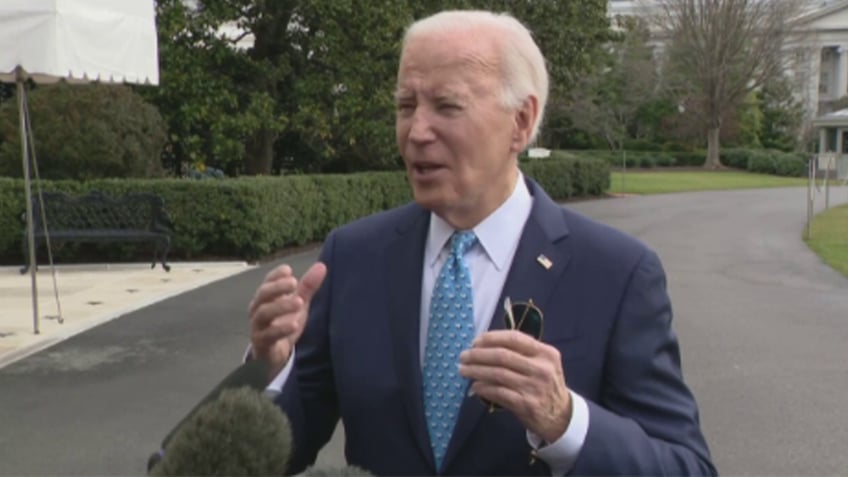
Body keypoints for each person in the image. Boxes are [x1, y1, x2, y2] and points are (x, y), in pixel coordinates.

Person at [247, 9, 716, 476]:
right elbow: (282, 447)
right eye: (406, 106)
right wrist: (269, 368)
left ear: (521, 121)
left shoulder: (616, 273)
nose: (417, 132)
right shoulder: (352, 257)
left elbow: (685, 466)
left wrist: (565, 421)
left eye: (447, 106)